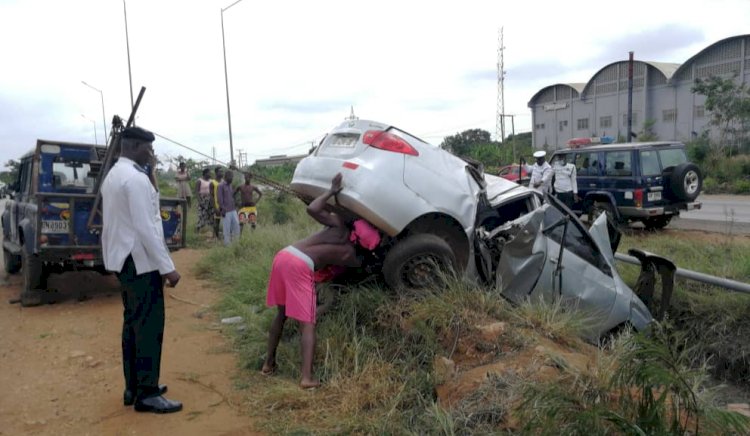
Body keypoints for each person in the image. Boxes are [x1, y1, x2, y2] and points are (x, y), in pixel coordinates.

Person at [261, 173, 380, 389]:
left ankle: (268, 364)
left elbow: (313, 208)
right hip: (299, 265)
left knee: (282, 314)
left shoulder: (336, 225)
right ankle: (306, 378)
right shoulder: (349, 251)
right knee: (308, 324)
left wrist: (331, 192)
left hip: (284, 255)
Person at [101, 126, 182, 414]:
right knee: (148, 327)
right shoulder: (134, 180)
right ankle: (147, 393)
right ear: (135, 146)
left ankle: (134, 386)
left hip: (124, 260)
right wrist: (168, 268)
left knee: (132, 325)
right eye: (148, 148)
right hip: (140, 261)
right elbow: (146, 228)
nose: (152, 153)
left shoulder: (114, 175)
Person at [217, 170, 240, 245]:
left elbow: (231, 197)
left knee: (236, 227)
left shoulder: (230, 185)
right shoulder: (220, 186)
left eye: (232, 177)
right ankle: (227, 245)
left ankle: (236, 243)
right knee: (226, 229)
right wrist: (222, 210)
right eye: (231, 177)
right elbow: (220, 200)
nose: (232, 179)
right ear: (226, 177)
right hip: (226, 211)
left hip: (233, 210)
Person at [195, 168, 214, 233]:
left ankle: (211, 230)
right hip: (202, 199)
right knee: (202, 215)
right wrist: (200, 202)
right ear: (205, 173)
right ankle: (198, 229)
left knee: (210, 215)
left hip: (210, 199)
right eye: (209, 173)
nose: (210, 174)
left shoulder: (211, 181)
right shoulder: (199, 181)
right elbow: (197, 192)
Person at [210, 167, 224, 240]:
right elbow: (211, 196)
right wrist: (215, 207)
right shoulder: (212, 183)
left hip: (224, 205)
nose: (222, 173)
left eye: (222, 171)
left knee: (225, 221)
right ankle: (217, 237)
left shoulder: (223, 182)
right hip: (216, 205)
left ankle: (223, 236)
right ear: (216, 173)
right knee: (217, 221)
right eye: (220, 172)